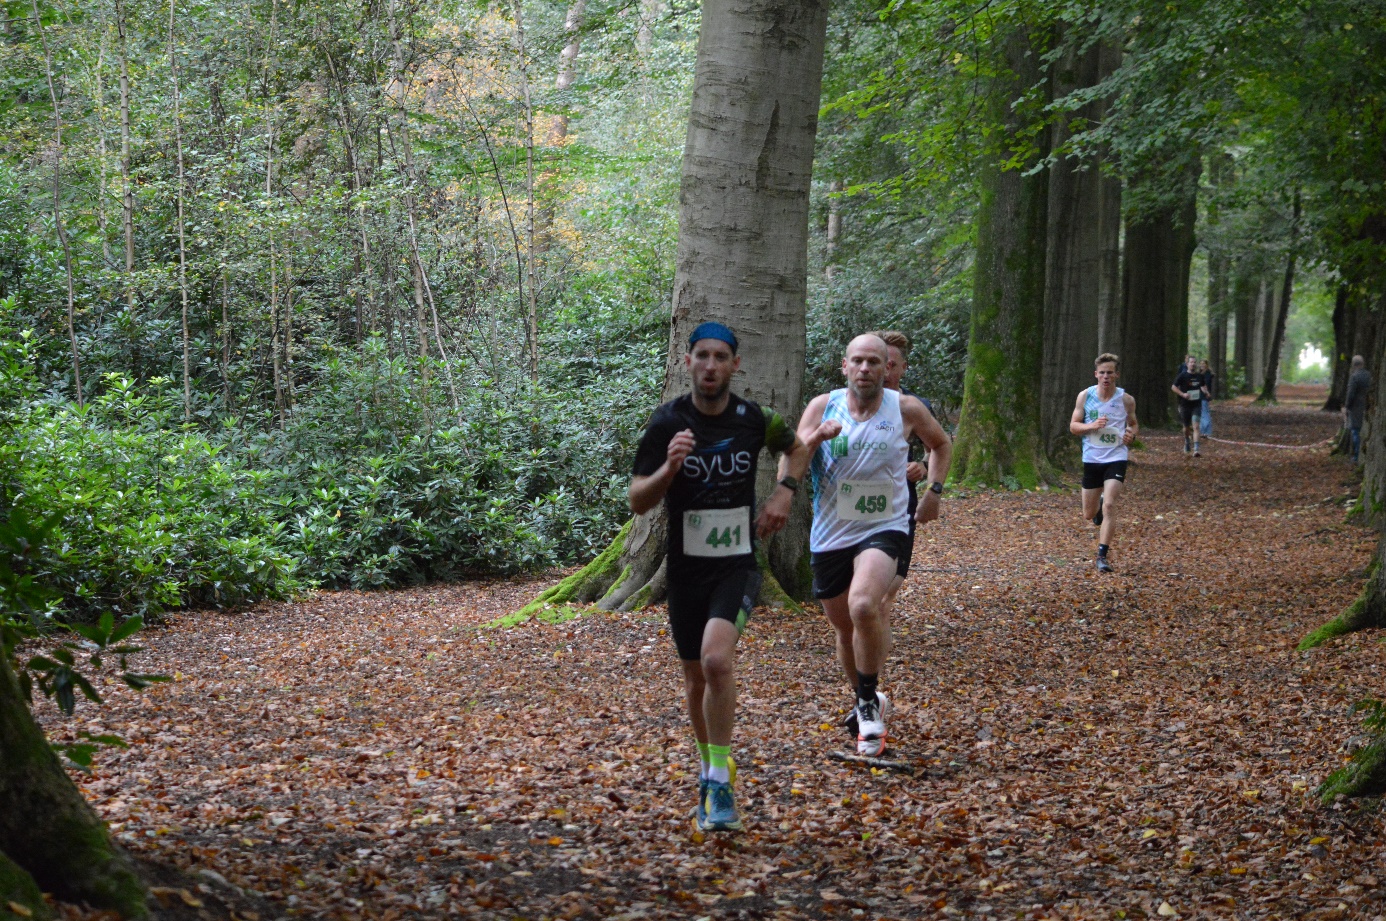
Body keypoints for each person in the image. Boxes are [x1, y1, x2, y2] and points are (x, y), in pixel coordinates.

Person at [629, 321, 825, 833]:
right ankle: (712, 761)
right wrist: (669, 469)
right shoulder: (666, 422)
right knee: (694, 676)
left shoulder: (753, 418)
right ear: (687, 360)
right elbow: (637, 499)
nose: (711, 366)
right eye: (702, 356)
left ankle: (716, 781)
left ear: (735, 364)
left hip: (737, 564)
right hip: (686, 568)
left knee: (717, 661)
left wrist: (784, 493)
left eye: (721, 357)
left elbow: (799, 446)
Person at [798, 334, 952, 757]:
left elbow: (940, 443)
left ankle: (867, 707)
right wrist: (814, 439)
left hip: (884, 525)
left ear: (888, 369)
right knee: (844, 627)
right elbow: (792, 458)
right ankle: (866, 696)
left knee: (864, 605)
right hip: (831, 530)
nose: (865, 369)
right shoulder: (820, 407)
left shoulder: (905, 408)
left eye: (874, 362)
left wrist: (934, 491)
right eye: (858, 362)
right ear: (844, 366)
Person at [1070, 353, 1139, 573]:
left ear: (1116, 374)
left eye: (1110, 372)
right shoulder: (1085, 396)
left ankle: (1102, 555)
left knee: (1110, 504)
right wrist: (1092, 426)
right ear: (1096, 375)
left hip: (1116, 458)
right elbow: (1073, 426)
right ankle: (1096, 506)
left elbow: (1134, 424)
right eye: (1102, 373)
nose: (1106, 377)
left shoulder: (1125, 399)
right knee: (1088, 514)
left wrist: (1131, 435)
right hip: (1092, 458)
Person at [1171, 355, 1208, 456]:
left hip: (1196, 404)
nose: (1193, 364)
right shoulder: (1182, 376)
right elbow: (1173, 387)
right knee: (1186, 427)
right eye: (1191, 362)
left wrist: (1206, 392)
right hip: (1185, 405)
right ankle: (1187, 441)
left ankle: (1196, 449)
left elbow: (1203, 385)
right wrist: (1182, 394)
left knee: (1196, 426)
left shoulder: (1199, 376)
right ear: (1187, 364)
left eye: (1194, 362)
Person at [1344, 354, 1371, 465]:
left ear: (1353, 365)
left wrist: (1347, 406)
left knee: (1355, 432)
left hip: (1356, 408)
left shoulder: (1354, 377)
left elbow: (1351, 394)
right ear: (1363, 363)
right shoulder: (1369, 375)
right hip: (1368, 406)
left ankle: (1356, 457)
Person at [1198, 359, 1214, 438]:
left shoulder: (1207, 374)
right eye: (1201, 363)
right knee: (1204, 413)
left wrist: (1206, 393)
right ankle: (1205, 432)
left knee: (1204, 413)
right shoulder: (1201, 374)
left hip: (1204, 396)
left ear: (1206, 365)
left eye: (1203, 363)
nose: (1202, 365)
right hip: (1201, 395)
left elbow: (1204, 385)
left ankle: (1205, 431)